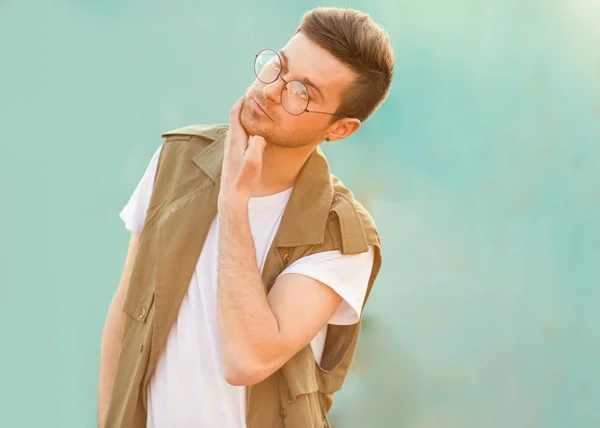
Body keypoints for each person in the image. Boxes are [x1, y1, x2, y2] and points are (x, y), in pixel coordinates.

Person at [98, 6, 394, 428]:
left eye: (303, 92)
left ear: (340, 129)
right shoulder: (177, 159)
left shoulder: (344, 235)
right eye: (278, 65)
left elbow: (246, 360)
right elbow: (125, 313)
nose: (271, 89)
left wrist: (233, 205)